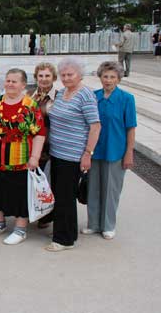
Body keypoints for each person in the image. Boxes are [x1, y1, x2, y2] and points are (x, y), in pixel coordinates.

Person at [0, 69, 46, 245]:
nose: (9, 84)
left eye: (14, 81)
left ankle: (20, 229)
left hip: (20, 161)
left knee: (19, 195)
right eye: (7, 80)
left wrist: (35, 157)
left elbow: (40, 134)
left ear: (23, 85)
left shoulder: (30, 106)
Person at [46, 57, 101, 252]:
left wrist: (88, 153)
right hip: (57, 153)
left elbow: (95, 126)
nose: (66, 78)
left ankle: (64, 239)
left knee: (65, 197)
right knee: (60, 195)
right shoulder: (61, 93)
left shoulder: (85, 95)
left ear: (80, 75)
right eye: (63, 75)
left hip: (73, 155)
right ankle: (68, 232)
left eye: (70, 74)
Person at [83, 61, 136, 240]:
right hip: (95, 150)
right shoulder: (93, 96)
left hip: (115, 151)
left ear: (119, 79)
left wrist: (129, 152)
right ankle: (93, 224)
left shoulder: (126, 99)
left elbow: (130, 128)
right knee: (93, 188)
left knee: (111, 190)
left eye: (112, 77)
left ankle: (108, 225)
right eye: (105, 76)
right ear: (100, 77)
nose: (108, 80)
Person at [30, 62, 58, 229]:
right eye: (40, 76)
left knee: (48, 182)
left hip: (51, 145)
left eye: (47, 76)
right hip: (34, 145)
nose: (44, 79)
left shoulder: (59, 96)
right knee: (35, 181)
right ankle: (37, 211)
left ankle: (47, 215)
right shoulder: (31, 96)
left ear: (53, 77)